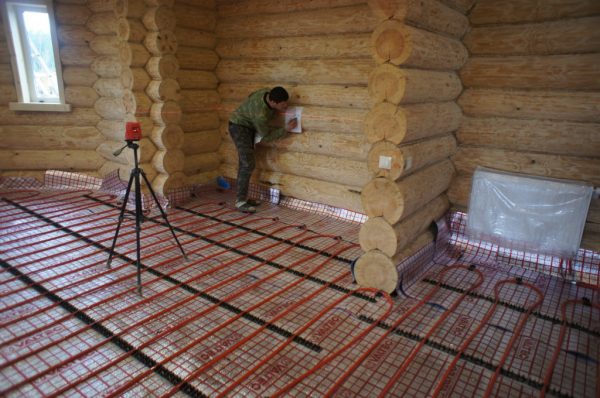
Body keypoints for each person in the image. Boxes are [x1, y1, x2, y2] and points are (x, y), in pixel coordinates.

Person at [228, 86, 298, 213]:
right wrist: (286, 129)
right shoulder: (260, 115)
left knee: (245, 163)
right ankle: (240, 202)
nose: (286, 106)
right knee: (248, 164)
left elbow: (251, 94)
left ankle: (243, 198)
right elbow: (267, 136)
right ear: (273, 102)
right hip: (238, 127)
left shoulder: (266, 92)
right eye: (283, 104)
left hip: (248, 127)